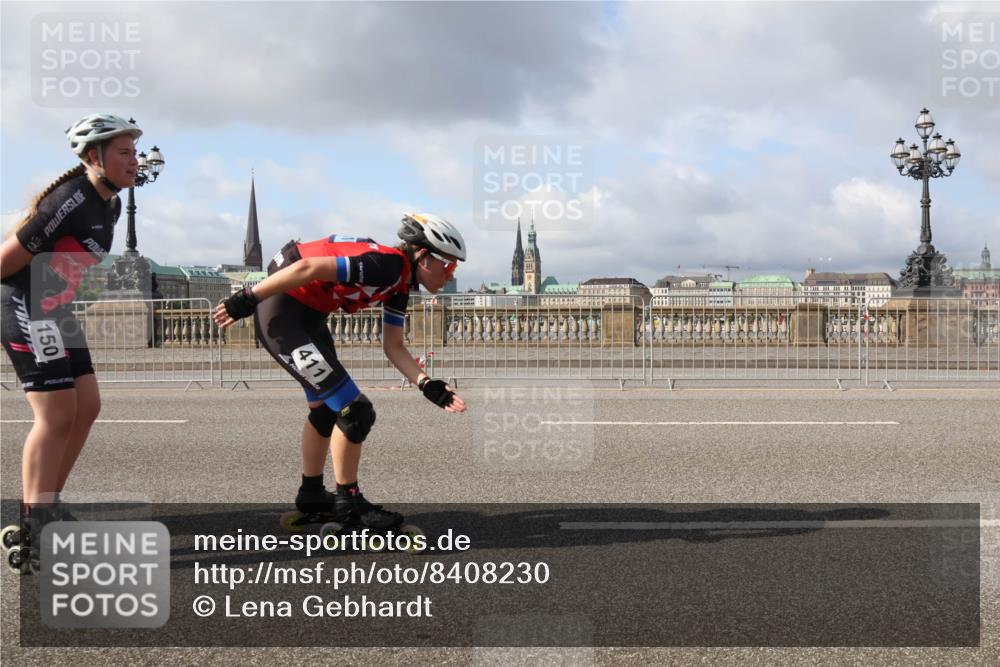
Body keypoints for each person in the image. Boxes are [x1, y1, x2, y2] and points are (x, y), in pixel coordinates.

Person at [214, 213, 467, 531]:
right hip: (283, 315)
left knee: (325, 411)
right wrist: (246, 299)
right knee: (355, 410)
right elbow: (309, 268)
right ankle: (350, 504)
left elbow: (394, 345)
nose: (451, 274)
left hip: (307, 317)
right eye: (450, 265)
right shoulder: (389, 265)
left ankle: (312, 495)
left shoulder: (400, 284)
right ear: (426, 257)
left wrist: (428, 385)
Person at [0, 114, 142, 569]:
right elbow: (6, 262)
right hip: (24, 302)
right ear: (92, 157)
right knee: (57, 412)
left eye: (135, 152)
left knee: (88, 406)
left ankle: (48, 504)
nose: (134, 161)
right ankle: (33, 526)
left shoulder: (112, 204)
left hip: (55, 308)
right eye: (124, 153)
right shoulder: (69, 199)